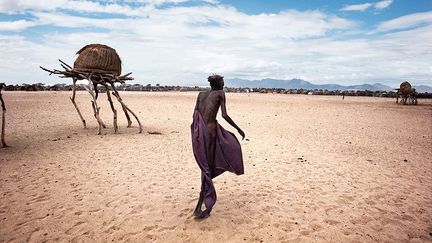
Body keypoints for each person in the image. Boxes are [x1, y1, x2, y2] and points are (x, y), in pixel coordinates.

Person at [191, 74, 245, 218]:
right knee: (207, 168)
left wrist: (196, 132)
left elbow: (195, 115)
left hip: (199, 132)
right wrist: (238, 128)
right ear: (218, 84)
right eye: (222, 82)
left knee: (205, 167)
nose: (223, 84)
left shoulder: (201, 94)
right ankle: (199, 207)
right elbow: (224, 115)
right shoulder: (220, 94)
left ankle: (200, 203)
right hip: (210, 132)